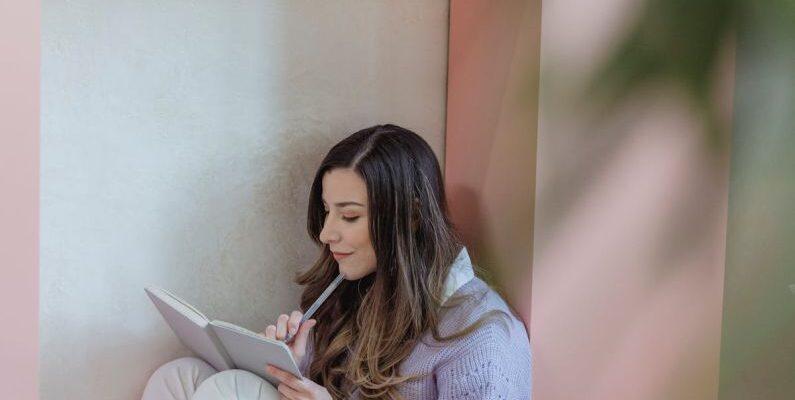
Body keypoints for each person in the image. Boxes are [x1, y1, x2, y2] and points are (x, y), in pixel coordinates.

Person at [141, 124, 532, 400]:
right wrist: (293, 365)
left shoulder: (482, 337)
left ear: (411, 217)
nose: (327, 233)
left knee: (233, 393)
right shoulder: (360, 289)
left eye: (349, 216)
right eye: (327, 212)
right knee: (179, 378)